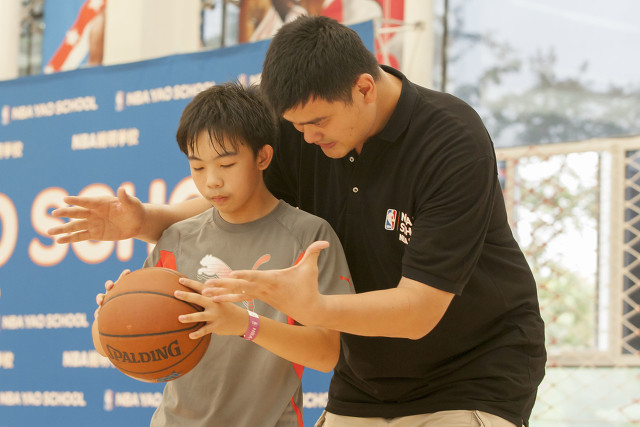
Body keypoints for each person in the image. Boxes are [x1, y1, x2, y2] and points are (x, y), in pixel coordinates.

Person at [49, 16, 546, 427]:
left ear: (365, 88)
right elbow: (236, 194)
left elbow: (419, 311)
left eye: (317, 123)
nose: (306, 139)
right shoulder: (299, 127)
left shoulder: (450, 141)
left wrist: (309, 307)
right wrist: (148, 219)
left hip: (473, 370)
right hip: (365, 379)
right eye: (295, 127)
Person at [89, 82, 353, 427]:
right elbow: (104, 343)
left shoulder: (309, 236)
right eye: (197, 167)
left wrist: (245, 324)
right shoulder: (176, 239)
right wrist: (112, 314)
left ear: (263, 157)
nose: (211, 181)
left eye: (226, 164)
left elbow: (327, 353)